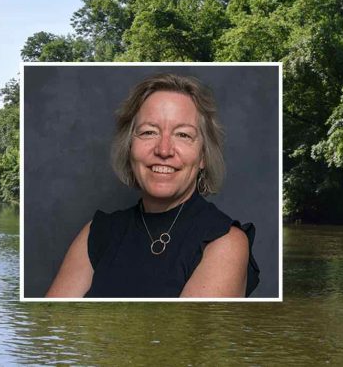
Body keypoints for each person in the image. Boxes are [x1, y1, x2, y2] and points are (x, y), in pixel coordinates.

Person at [46, 73, 260, 298]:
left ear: (203, 156)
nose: (164, 150)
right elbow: (50, 327)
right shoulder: (97, 233)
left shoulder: (225, 243)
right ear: (129, 147)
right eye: (149, 132)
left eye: (183, 135)